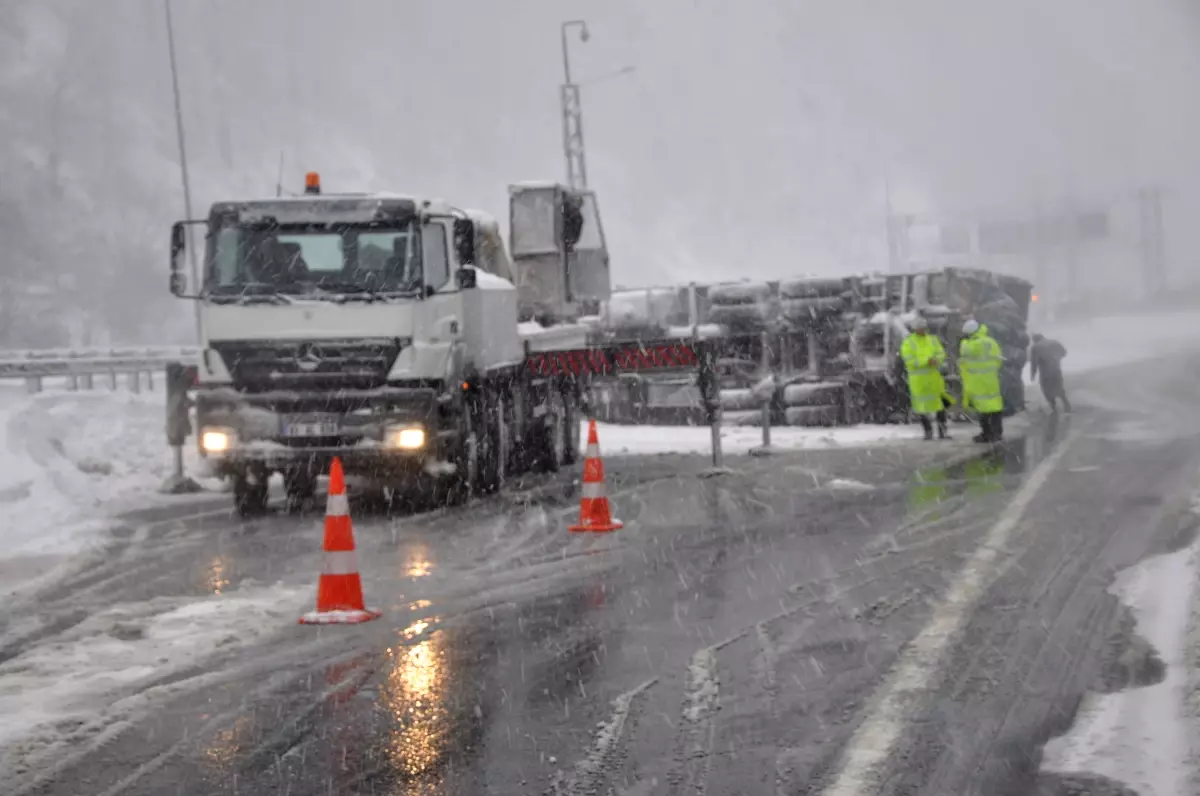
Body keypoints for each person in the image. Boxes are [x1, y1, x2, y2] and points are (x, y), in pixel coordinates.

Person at [900, 316, 949, 440]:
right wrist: (927, 361)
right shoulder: (908, 343)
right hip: (919, 381)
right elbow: (909, 360)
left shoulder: (933, 340)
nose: (922, 330)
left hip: (934, 379)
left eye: (923, 327)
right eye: (920, 328)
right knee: (922, 407)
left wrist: (936, 360)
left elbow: (941, 353)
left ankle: (942, 432)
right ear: (914, 329)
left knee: (940, 406)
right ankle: (928, 432)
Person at [959, 319, 1005, 443]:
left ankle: (986, 433)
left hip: (976, 381)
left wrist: (963, 341)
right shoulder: (991, 342)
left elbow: (965, 352)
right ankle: (997, 433)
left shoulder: (969, 345)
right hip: (991, 379)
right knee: (995, 407)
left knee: (982, 408)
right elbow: (998, 359)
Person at [1029, 333, 1071, 413]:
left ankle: (1054, 408)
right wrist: (1056, 359)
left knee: (1047, 390)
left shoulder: (1035, 347)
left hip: (1045, 374)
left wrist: (1032, 375)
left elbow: (1034, 363)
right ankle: (1066, 404)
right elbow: (1064, 352)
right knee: (1059, 387)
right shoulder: (1054, 342)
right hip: (1056, 370)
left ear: (1035, 340)